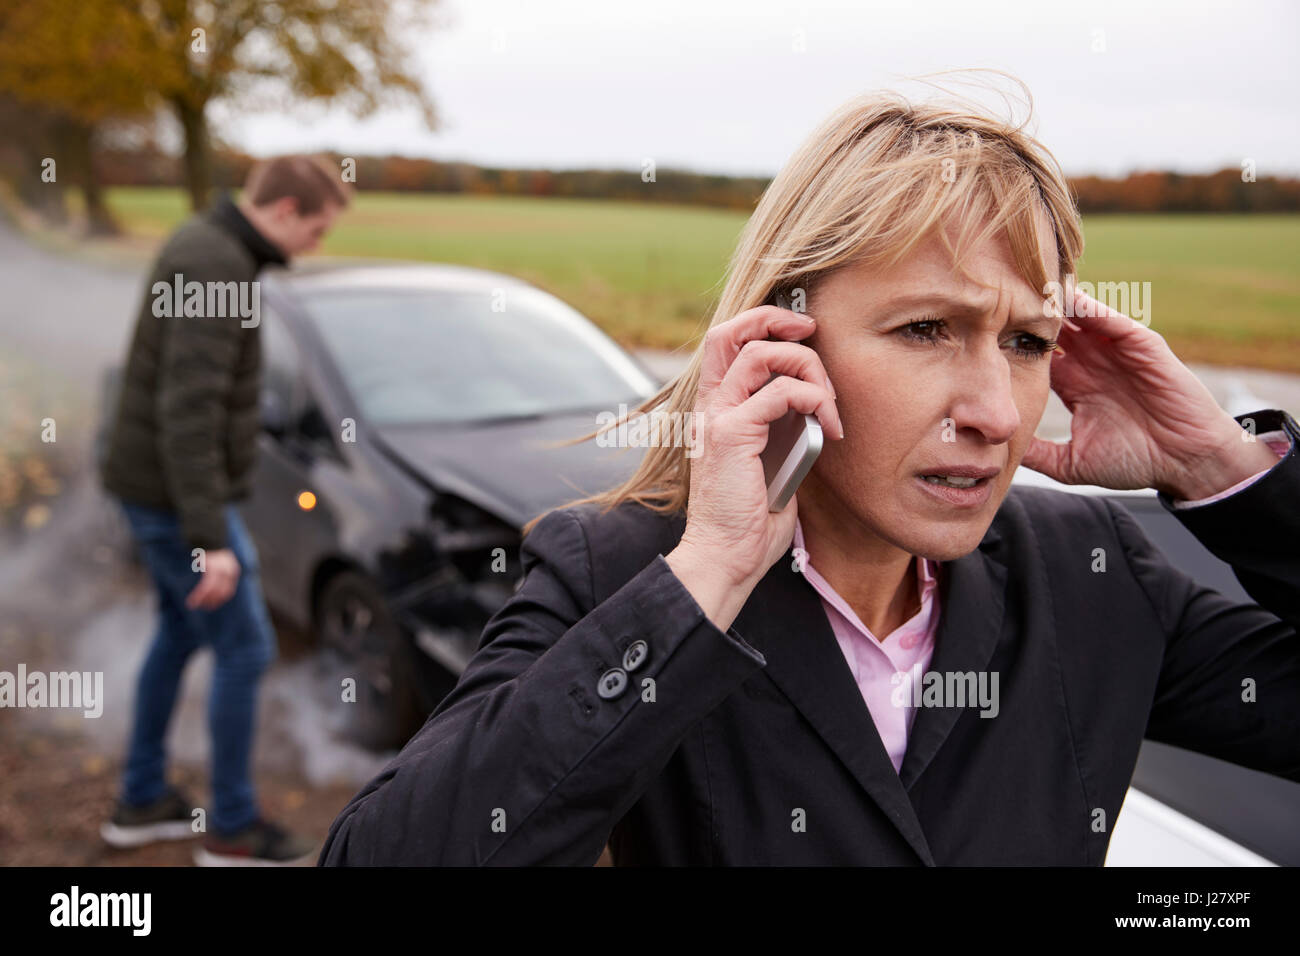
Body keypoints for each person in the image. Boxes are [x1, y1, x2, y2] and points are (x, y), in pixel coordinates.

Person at [318, 86, 1298, 866]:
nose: (997, 409)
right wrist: (707, 576)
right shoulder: (625, 571)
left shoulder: (1089, 569)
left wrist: (1228, 470)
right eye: (926, 328)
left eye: (1028, 340)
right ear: (782, 337)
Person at [100, 155, 349, 865]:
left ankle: (142, 800)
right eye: (319, 230)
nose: (316, 246)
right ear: (287, 212)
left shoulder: (211, 246)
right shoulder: (218, 267)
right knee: (246, 647)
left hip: (159, 492)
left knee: (180, 634)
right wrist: (209, 538)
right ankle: (232, 829)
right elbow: (189, 412)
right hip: (175, 503)